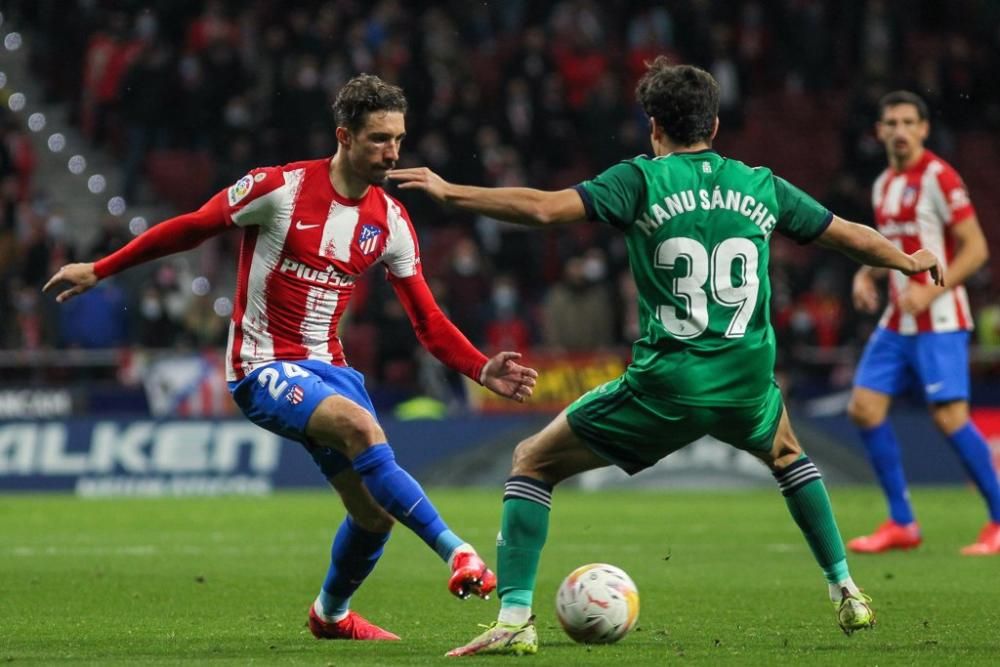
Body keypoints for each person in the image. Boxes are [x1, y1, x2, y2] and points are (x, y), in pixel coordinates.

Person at [390, 59, 944, 656]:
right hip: (747, 381)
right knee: (788, 454)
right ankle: (846, 589)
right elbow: (842, 231)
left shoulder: (642, 180)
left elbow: (545, 210)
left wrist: (452, 191)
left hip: (667, 385)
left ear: (654, 126)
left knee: (531, 463)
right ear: (715, 124)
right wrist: (903, 259)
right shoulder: (761, 184)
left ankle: (516, 618)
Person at [43, 74, 538, 641]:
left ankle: (329, 615)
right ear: (344, 136)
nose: (393, 152)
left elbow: (427, 321)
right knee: (360, 427)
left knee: (373, 515)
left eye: (399, 138)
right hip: (261, 367)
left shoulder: (392, 222)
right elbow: (190, 229)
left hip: (330, 369)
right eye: (378, 138)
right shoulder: (278, 189)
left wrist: (480, 367)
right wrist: (100, 268)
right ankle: (459, 553)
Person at [845, 91, 999, 556]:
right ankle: (902, 522)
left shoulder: (938, 176)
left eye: (909, 122)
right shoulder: (883, 185)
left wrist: (932, 289)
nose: (899, 130)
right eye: (890, 122)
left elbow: (976, 249)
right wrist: (865, 271)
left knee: (950, 417)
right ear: (879, 131)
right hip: (899, 316)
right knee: (864, 408)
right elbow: (895, 248)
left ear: (924, 129)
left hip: (940, 317)